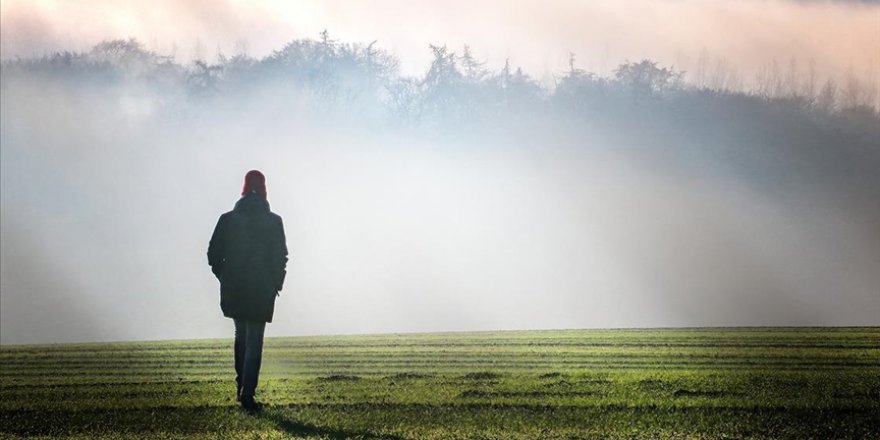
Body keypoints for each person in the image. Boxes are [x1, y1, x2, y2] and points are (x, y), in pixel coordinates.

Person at [208, 170, 288, 412]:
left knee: (240, 336)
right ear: (264, 189)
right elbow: (281, 257)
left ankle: (240, 388)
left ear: (243, 188)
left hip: (234, 286)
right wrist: (275, 283)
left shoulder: (227, 219)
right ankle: (248, 394)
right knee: (255, 340)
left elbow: (213, 255)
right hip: (261, 288)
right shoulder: (273, 221)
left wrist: (225, 276)